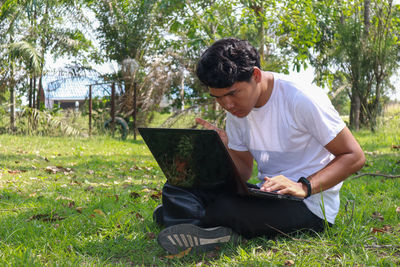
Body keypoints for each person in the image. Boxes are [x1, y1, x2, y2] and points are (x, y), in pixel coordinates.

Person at [154, 38, 365, 254]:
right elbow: (244, 173)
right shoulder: (236, 112)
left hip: (310, 206)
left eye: (232, 93)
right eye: (218, 98)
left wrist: (303, 187)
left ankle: (188, 219)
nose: (227, 105)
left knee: (224, 208)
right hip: (267, 193)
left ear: (255, 75)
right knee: (177, 184)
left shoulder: (301, 98)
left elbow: (354, 156)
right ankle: (197, 223)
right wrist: (221, 149)